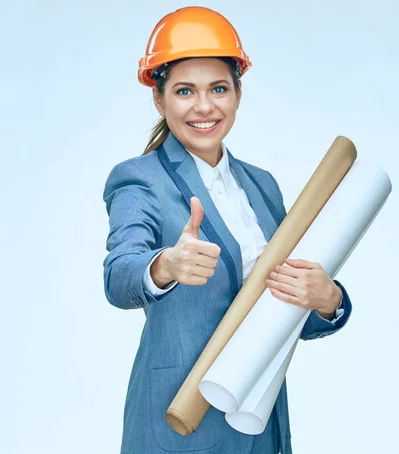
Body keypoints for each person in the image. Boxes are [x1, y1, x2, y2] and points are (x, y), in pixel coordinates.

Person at [102, 6, 352, 454]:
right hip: (180, 424)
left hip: (259, 423)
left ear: (238, 93)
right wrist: (166, 264)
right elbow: (119, 276)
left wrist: (327, 300)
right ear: (159, 99)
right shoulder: (139, 179)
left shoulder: (262, 185)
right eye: (184, 91)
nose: (204, 106)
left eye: (218, 88)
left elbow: (283, 316)